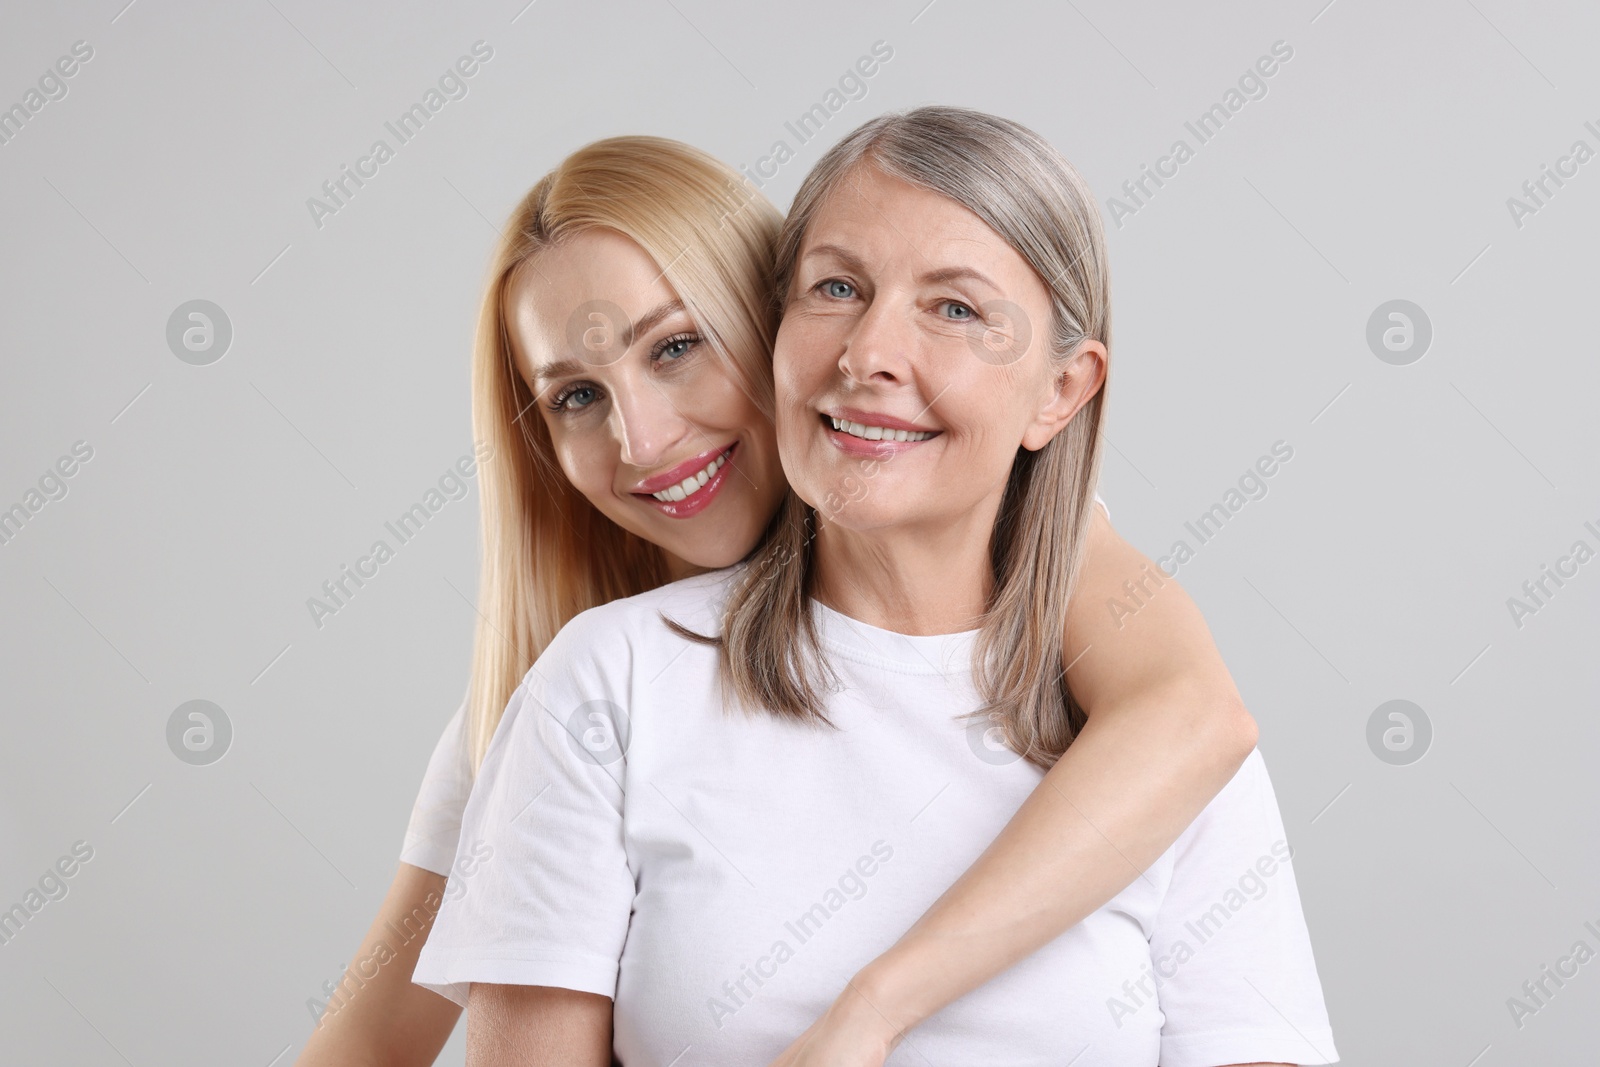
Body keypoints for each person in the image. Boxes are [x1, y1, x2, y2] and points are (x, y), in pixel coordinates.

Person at [297, 129, 1261, 1067]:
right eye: (576, 397)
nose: (642, 438)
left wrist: (877, 1008)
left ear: (775, 327)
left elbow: (1194, 712)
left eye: (676, 347)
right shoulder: (573, 690)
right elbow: (374, 1043)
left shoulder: (1042, 579)